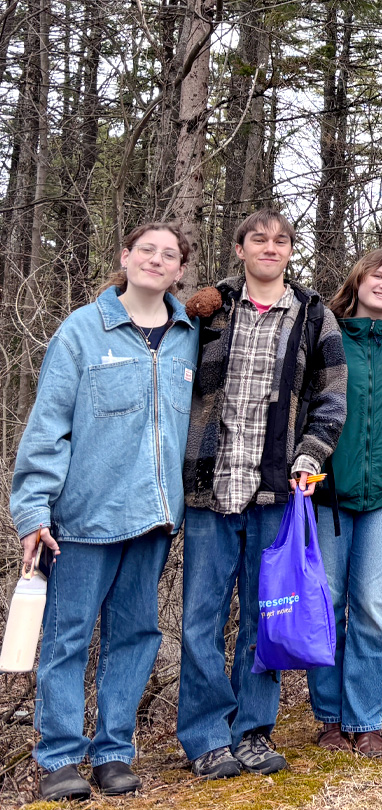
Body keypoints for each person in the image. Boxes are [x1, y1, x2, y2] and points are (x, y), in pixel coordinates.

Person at [10, 224, 197, 801]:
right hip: (84, 520)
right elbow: (48, 426)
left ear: (180, 271)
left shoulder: (190, 336)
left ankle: (114, 752)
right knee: (68, 637)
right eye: (147, 250)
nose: (156, 260)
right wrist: (33, 509)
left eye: (169, 255)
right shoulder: (82, 332)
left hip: (155, 518)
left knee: (136, 635)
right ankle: (60, 757)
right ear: (125, 257)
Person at [176, 209, 347, 778]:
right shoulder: (209, 309)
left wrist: (310, 457)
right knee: (201, 619)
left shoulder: (313, 314)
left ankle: (252, 732)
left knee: (263, 617)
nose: (269, 248)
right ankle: (205, 738)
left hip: (276, 491)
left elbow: (331, 398)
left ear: (291, 251)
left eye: (280, 241)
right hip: (210, 486)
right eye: (258, 239)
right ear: (239, 246)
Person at [305, 248, 382, 756]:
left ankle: (365, 717)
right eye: (379, 274)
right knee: (327, 605)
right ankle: (330, 718)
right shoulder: (325, 335)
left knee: (372, 607)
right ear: (359, 279)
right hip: (326, 494)